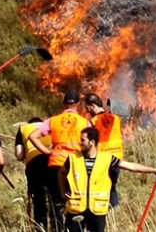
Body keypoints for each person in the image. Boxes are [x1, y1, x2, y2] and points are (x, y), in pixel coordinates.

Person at [59, 127, 156, 232]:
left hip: (97, 210)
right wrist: (63, 192)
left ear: (92, 142)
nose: (80, 142)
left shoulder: (107, 158)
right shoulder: (73, 158)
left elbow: (131, 166)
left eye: (83, 140)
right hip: (76, 208)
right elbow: (61, 173)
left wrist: (154, 170)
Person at [26, 90, 92, 232]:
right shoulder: (85, 122)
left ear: (64, 104)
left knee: (56, 202)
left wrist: (47, 151)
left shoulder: (53, 120)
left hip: (55, 165)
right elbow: (92, 143)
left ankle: (57, 228)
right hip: (76, 166)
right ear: (78, 104)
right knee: (76, 202)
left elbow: (32, 136)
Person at [84, 94, 123, 207]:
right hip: (117, 158)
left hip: (104, 159)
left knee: (102, 187)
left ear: (92, 106)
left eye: (87, 108)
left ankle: (103, 212)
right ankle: (113, 213)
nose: (87, 111)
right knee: (113, 187)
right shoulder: (115, 118)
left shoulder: (94, 121)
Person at [15, 116, 51, 232]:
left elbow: (19, 155)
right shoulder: (49, 125)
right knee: (54, 198)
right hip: (52, 162)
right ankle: (57, 226)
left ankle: (41, 227)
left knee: (38, 200)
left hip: (34, 166)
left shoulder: (23, 128)